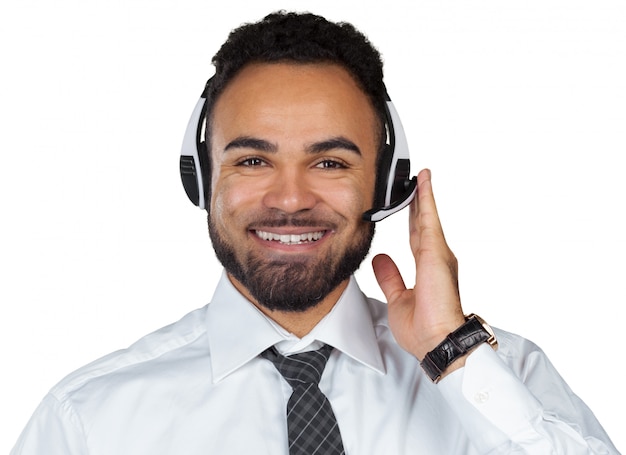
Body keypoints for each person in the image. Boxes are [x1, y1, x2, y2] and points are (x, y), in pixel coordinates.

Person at [11, 11, 619, 455]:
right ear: (201, 179)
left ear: (385, 185)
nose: (290, 199)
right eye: (252, 160)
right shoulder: (88, 419)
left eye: (330, 162)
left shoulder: (503, 377)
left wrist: (448, 353)